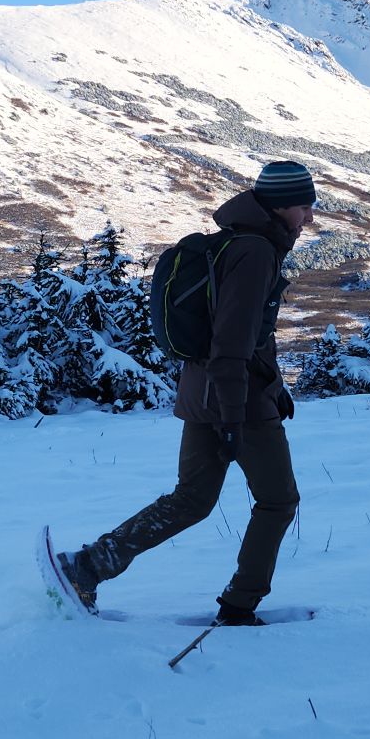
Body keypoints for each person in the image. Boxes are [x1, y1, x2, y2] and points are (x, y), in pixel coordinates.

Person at [57, 160, 316, 625]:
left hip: (203, 393)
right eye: (303, 206)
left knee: (191, 500)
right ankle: (240, 605)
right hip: (235, 400)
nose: (309, 217)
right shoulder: (255, 251)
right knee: (278, 501)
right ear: (279, 206)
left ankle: (88, 566)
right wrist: (236, 416)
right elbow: (233, 340)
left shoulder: (231, 243)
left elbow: (242, 335)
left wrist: (273, 386)